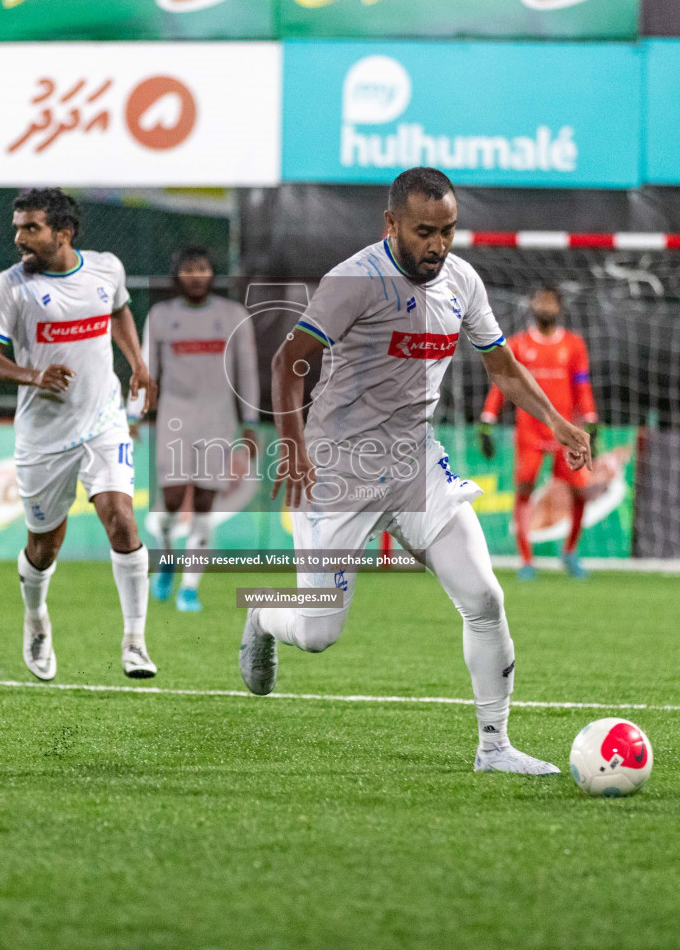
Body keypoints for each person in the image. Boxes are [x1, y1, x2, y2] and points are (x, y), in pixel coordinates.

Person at [238, 167, 593, 776]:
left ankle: (494, 746)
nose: (438, 245)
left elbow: (503, 367)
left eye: (448, 231)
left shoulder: (462, 280)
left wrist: (559, 422)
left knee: (484, 596)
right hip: (339, 469)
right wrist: (293, 447)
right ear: (392, 225)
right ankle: (263, 616)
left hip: (415, 461)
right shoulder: (353, 280)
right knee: (319, 635)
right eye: (425, 232)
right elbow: (289, 361)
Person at [0, 187, 158, 683]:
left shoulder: (106, 268)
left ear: (63, 232)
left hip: (103, 419)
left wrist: (137, 363)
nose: (19, 238)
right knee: (44, 547)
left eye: (30, 228)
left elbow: (118, 310)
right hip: (42, 435)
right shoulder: (10, 288)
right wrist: (34, 375)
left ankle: (135, 642)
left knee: (121, 518)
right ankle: (36, 621)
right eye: (17, 227)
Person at [142, 245, 259, 612]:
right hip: (175, 419)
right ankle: (166, 557)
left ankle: (190, 588)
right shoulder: (161, 316)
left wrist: (250, 422)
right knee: (172, 500)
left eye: (203, 268)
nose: (196, 275)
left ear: (212, 274)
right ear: (177, 275)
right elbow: (148, 369)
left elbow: (247, 372)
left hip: (218, 421)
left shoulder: (232, 315)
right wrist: (136, 414)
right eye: (188, 269)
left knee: (205, 504)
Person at [477, 286, 598, 580]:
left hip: (564, 432)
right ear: (531, 304)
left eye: (550, 301)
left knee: (582, 490)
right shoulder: (517, 344)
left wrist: (591, 419)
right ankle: (527, 560)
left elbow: (581, 385)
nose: (544, 305)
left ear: (559, 307)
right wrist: (488, 418)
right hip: (530, 432)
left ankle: (570, 552)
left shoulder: (574, 345)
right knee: (525, 490)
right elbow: (504, 384)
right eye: (539, 299)